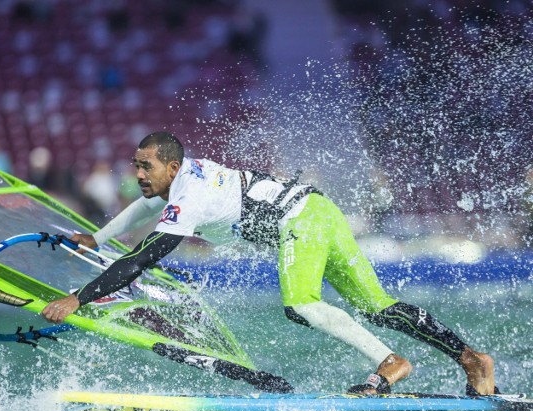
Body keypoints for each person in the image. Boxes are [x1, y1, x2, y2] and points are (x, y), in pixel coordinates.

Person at [43, 132, 497, 395]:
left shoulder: (192, 194)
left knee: (300, 304)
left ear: (172, 166)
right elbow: (146, 205)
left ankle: (391, 362)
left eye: (146, 166)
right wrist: (98, 237)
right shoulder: (181, 177)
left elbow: (143, 257)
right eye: (135, 165)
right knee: (377, 306)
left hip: (299, 220)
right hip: (320, 212)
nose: (138, 175)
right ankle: (472, 359)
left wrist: (79, 298)